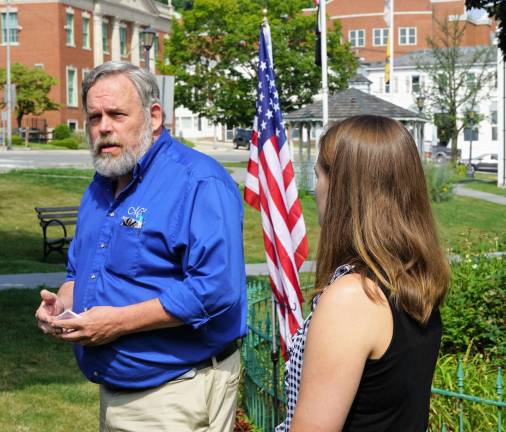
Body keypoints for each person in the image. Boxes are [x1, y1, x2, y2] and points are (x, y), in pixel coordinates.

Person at [35, 61, 247, 432]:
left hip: (177, 391)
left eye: (117, 114)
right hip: (117, 390)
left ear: (153, 116)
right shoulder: (101, 185)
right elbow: (78, 270)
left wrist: (116, 324)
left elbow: (215, 289)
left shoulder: (197, 180)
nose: (103, 127)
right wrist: (62, 305)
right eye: (94, 117)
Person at [277, 115, 450, 432]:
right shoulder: (410, 277)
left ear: (343, 189)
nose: (315, 189)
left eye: (318, 176)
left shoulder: (354, 297)